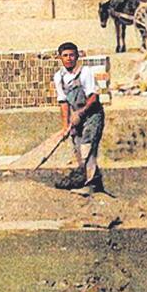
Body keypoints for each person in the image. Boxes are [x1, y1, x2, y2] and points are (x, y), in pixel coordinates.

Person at [53, 42, 104, 194]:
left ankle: (91, 185)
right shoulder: (59, 77)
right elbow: (63, 102)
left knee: (87, 146)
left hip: (92, 116)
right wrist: (65, 126)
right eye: (65, 55)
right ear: (60, 57)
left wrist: (81, 113)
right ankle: (94, 181)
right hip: (76, 119)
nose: (69, 58)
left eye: (72, 55)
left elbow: (93, 97)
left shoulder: (85, 72)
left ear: (77, 56)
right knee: (78, 150)